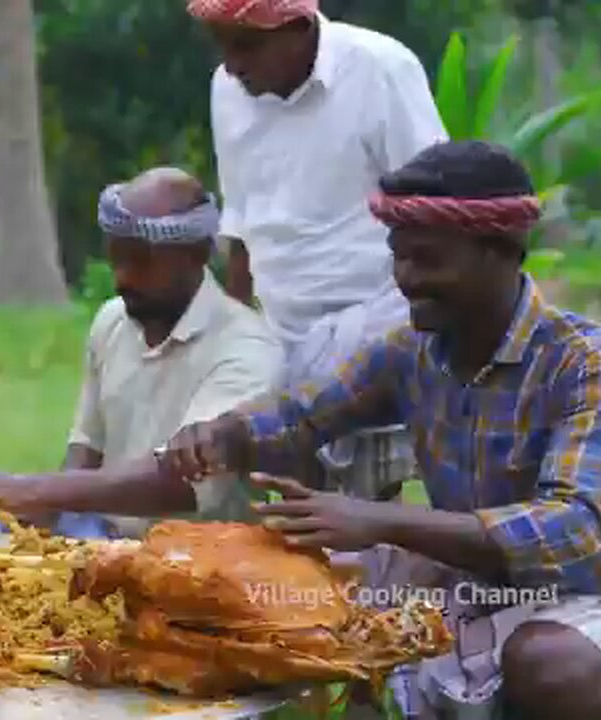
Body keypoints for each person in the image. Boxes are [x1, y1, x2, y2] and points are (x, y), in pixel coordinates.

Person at [160, 140, 601, 719]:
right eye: (398, 258)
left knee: (547, 663)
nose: (404, 279)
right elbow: (303, 414)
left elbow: (575, 525)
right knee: (288, 602)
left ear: (502, 250)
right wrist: (224, 432)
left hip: (591, 598)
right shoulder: (414, 351)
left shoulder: (587, 364)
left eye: (427, 260)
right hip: (474, 588)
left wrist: (379, 520)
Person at [187, 0, 450, 500]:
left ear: (298, 26)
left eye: (246, 45)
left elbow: (433, 207)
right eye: (220, 45)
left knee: (348, 510)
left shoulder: (380, 69)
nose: (231, 63)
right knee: (218, 438)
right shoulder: (227, 87)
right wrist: (235, 330)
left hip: (377, 311)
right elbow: (240, 219)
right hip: (279, 317)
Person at [0, 167, 283, 537]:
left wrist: (27, 489)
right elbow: (86, 450)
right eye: (116, 257)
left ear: (197, 254)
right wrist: (24, 517)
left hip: (200, 570)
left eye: (141, 262)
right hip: (104, 549)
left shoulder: (246, 351)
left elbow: (182, 484)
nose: (122, 277)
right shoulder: (112, 320)